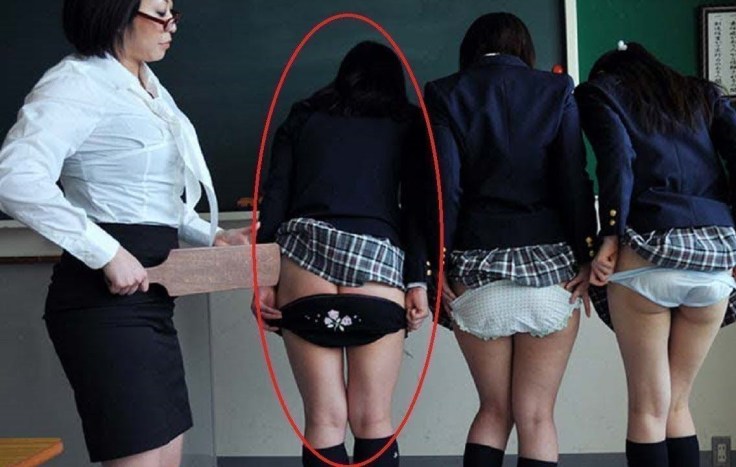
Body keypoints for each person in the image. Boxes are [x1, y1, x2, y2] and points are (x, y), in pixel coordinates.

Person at [0, 1, 253, 465]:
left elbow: (149, 196)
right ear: (115, 12)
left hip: (154, 298)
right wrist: (106, 252)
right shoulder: (75, 83)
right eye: (159, 13)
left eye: (173, 12)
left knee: (168, 453)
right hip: (104, 302)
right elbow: (15, 178)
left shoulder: (150, 87)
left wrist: (212, 235)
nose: (171, 25)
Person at [575, 41, 736, 467]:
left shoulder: (598, 92)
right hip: (715, 262)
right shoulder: (702, 93)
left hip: (649, 251)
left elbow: (617, 158)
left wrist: (610, 236)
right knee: (677, 403)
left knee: (648, 408)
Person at [423, 13, 596, 467]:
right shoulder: (557, 90)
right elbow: (574, 181)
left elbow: (445, 189)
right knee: (536, 416)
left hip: (476, 270)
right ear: (524, 49)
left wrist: (436, 263)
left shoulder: (444, 93)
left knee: (493, 410)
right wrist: (587, 255)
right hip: (550, 271)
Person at [253, 41, 432, 467]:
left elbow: (273, 202)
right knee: (373, 418)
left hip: (304, 262)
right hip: (376, 265)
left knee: (323, 420)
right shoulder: (407, 123)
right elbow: (418, 208)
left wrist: (261, 280)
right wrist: (418, 280)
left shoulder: (302, 116)